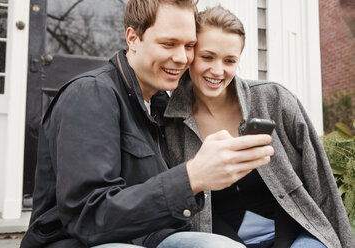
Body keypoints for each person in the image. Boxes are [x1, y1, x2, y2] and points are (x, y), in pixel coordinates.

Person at [20, 1, 275, 248]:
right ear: (132, 38)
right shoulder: (91, 95)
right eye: (168, 43)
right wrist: (192, 176)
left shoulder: (163, 104)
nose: (181, 57)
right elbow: (89, 218)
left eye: (190, 46)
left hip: (150, 237)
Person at [164, 5, 355, 248]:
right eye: (207, 57)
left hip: (297, 236)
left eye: (229, 60)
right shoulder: (172, 125)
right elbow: (191, 211)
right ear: (191, 55)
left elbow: (319, 180)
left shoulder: (275, 100)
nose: (218, 70)